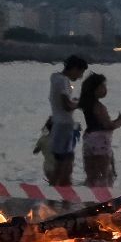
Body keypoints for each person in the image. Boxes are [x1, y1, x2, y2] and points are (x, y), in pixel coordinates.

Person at [78, 72, 121, 187]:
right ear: (95, 89)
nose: (105, 89)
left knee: (91, 174)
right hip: (100, 141)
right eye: (103, 86)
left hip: (89, 140)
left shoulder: (87, 105)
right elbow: (108, 125)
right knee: (104, 173)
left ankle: (89, 198)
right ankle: (103, 200)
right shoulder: (98, 106)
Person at [47, 54, 89, 185]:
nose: (80, 77)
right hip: (64, 126)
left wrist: (74, 103)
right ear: (74, 68)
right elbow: (66, 105)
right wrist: (80, 104)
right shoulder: (63, 81)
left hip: (59, 124)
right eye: (80, 72)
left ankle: (61, 195)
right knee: (63, 164)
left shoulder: (55, 78)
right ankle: (55, 195)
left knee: (65, 161)